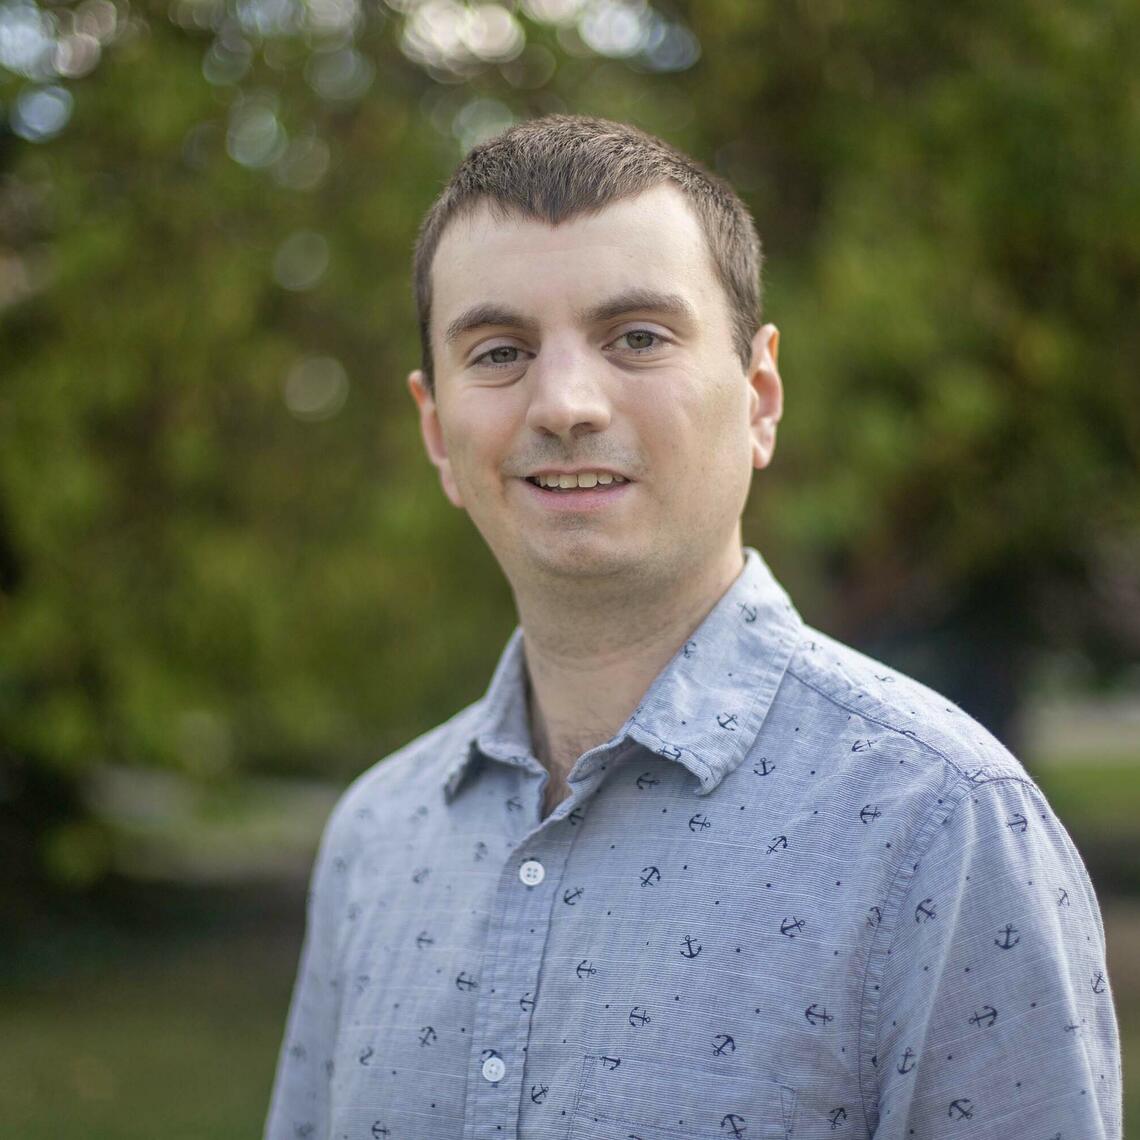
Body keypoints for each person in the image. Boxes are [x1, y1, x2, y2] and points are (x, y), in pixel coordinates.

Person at [264, 116, 1121, 1140]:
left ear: (758, 398)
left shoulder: (943, 826)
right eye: (499, 351)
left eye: (638, 338)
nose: (567, 403)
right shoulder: (374, 838)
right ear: (438, 431)